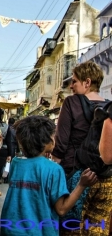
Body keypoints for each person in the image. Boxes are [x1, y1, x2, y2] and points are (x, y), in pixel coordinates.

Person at [0, 115, 97, 236]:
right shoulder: (54, 169)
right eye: (53, 135)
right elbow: (61, 209)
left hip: (10, 229)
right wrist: (82, 185)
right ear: (47, 141)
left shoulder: (16, 162)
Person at [51, 61, 108, 234]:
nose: (71, 86)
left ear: (87, 82)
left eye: (74, 81)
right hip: (102, 177)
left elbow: (61, 143)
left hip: (73, 172)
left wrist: (54, 169)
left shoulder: (71, 102)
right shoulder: (109, 106)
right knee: (95, 226)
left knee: (68, 225)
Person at [0, 108, 13, 186]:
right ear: (2, 115)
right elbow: (9, 141)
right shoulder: (6, 126)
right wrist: (10, 154)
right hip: (2, 150)